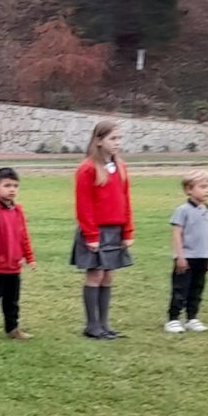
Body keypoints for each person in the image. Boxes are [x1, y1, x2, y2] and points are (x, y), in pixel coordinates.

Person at [72, 118, 133, 339]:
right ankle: (92, 325)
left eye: (119, 138)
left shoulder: (121, 167)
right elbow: (83, 205)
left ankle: (104, 324)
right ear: (99, 140)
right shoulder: (87, 169)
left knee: (108, 276)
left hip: (115, 230)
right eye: (112, 138)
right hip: (96, 231)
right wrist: (91, 235)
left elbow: (125, 200)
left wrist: (127, 231)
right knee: (95, 275)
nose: (117, 142)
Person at [0, 168, 35, 340]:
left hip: (13, 265)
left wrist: (29, 257)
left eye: (15, 186)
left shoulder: (18, 212)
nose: (12, 190)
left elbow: (23, 236)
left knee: (12, 300)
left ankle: (12, 328)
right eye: (7, 185)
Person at [166, 171, 208, 335]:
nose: (207, 190)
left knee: (197, 289)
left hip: (203, 257)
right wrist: (179, 255)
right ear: (189, 190)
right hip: (187, 257)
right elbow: (177, 234)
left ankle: (192, 318)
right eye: (202, 187)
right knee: (180, 289)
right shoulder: (183, 210)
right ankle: (173, 319)